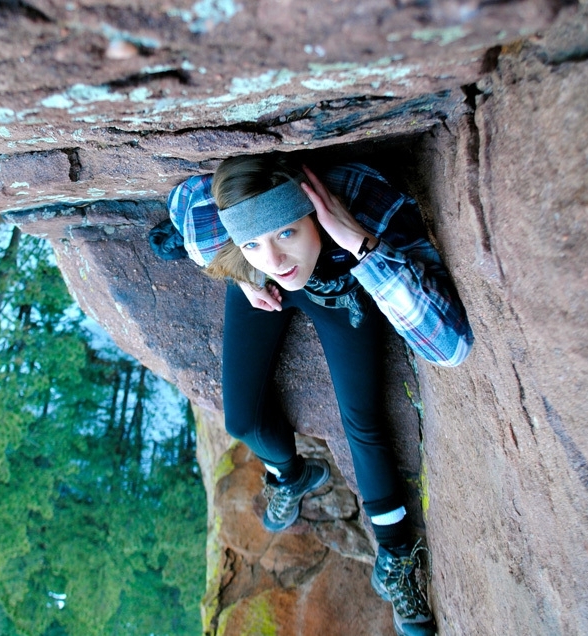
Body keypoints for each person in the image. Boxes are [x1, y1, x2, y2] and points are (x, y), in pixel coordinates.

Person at [163, 154, 473, 636]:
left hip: (343, 286)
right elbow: (185, 203)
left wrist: (358, 244)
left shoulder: (364, 201)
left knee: (363, 420)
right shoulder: (240, 239)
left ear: (314, 211)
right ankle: (291, 475)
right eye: (253, 242)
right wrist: (245, 274)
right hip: (267, 291)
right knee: (242, 423)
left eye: (286, 232)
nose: (276, 259)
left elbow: (451, 346)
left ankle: (395, 556)